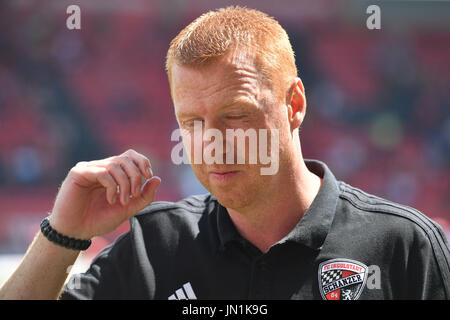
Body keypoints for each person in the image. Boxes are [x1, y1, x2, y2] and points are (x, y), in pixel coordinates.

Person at [0, 6, 448, 300]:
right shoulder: (152, 249)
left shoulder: (405, 247)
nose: (211, 141)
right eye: (191, 122)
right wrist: (63, 234)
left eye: (235, 116)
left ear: (294, 105)